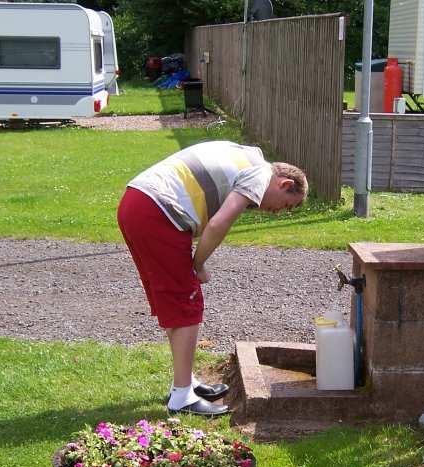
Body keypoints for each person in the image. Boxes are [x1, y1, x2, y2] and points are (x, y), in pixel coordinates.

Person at [117, 140, 308, 417]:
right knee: (187, 303)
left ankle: (186, 383)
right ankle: (182, 397)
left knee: (176, 301)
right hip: (157, 211)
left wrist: (194, 265)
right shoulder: (259, 174)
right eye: (287, 206)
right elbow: (219, 223)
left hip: (138, 203)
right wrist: (198, 264)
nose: (279, 212)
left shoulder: (247, 158)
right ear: (285, 184)